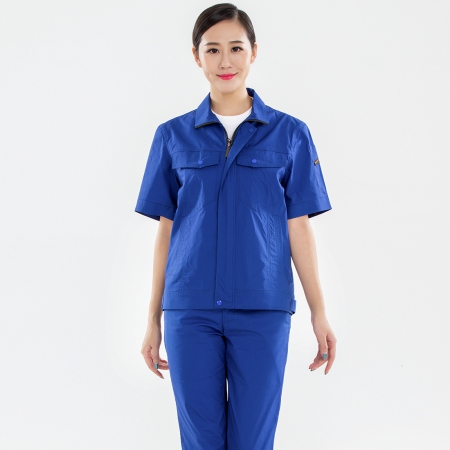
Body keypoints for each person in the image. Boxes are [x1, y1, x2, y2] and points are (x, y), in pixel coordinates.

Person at [135, 3, 337, 449]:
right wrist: (152, 318)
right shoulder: (171, 136)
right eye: (212, 50)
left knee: (253, 442)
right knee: (200, 441)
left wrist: (318, 310)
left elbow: (298, 226)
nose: (225, 61)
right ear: (196, 56)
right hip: (189, 310)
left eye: (236, 48)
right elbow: (166, 231)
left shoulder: (291, 134)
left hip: (263, 308)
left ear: (253, 52)